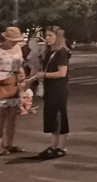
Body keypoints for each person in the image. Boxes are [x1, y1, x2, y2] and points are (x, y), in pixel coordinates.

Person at [33, 26, 71, 159]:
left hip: (58, 89)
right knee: (52, 117)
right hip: (50, 88)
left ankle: (61, 147)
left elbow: (62, 73)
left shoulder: (62, 53)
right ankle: (53, 146)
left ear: (57, 37)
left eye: (50, 36)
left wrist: (44, 75)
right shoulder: (49, 52)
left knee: (59, 117)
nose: (47, 38)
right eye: (46, 35)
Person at [0, 27, 27, 155]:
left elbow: (20, 64)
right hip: (2, 83)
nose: (15, 42)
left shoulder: (18, 48)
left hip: (14, 82)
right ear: (6, 38)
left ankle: (9, 144)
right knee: (1, 116)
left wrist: (22, 75)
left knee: (12, 116)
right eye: (12, 40)